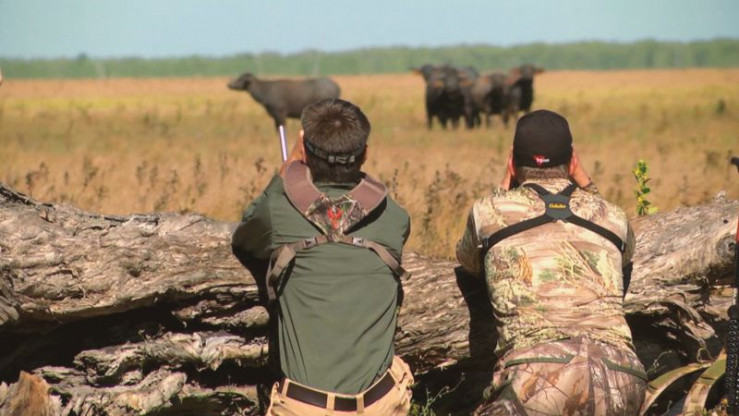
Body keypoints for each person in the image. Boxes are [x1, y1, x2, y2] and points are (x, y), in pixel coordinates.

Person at [456, 109, 646, 415]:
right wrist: (587, 186)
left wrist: (502, 189)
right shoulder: (613, 216)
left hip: (536, 377)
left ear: (512, 162)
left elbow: (469, 261)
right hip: (621, 375)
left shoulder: (487, 212)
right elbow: (625, 251)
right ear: (572, 162)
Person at [231, 98, 414, 416]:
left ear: (304, 149)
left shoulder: (278, 210)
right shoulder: (394, 217)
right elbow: (346, 215)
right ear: (365, 153)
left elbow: (245, 238)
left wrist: (286, 174)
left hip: (306, 406)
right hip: (381, 404)